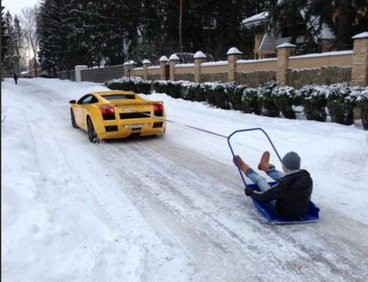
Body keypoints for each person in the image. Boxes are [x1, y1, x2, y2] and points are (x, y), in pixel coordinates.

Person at [234, 151, 313, 219]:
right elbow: (289, 180)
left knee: (261, 181)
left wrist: (251, 192)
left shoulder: (283, 186)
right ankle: (264, 165)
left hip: (282, 212)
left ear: (284, 167)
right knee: (284, 176)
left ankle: (246, 169)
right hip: (302, 211)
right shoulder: (306, 177)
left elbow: (263, 197)